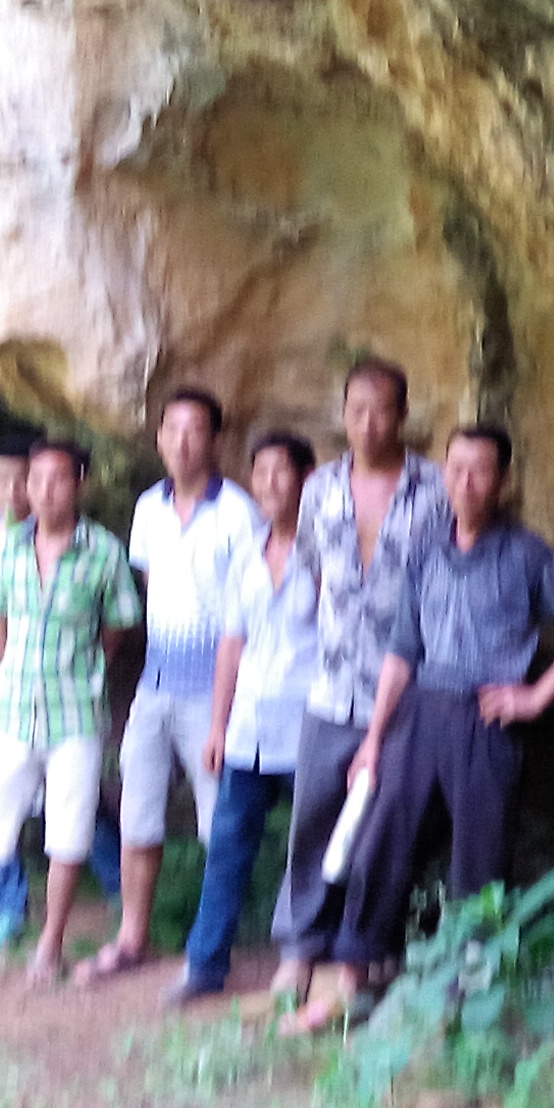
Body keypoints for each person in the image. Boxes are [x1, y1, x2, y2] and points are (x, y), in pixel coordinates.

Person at [311, 423, 554, 1032]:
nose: (466, 484)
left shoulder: (525, 553)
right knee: (380, 841)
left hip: (487, 716)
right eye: (456, 469)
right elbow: (401, 649)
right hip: (419, 711)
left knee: (480, 857)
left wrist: (535, 698)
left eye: (481, 471)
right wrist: (372, 740)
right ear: (442, 474)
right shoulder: (424, 548)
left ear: (504, 481)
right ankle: (353, 983)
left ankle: (469, 995)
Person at [0, 436, 141, 996]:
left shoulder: (104, 552)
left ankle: (50, 950)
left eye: (57, 479)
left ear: (81, 482)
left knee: (67, 836)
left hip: (76, 718)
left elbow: (118, 626)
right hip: (13, 714)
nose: (43, 491)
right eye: (35, 480)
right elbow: (1, 625)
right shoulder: (8, 550)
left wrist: (84, 670)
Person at [275, 358, 451, 1029]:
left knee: (380, 829)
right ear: (342, 414)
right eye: (357, 410)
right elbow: (317, 571)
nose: (369, 422)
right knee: (315, 815)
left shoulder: (434, 488)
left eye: (382, 409)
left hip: (406, 688)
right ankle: (301, 947)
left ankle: (365, 957)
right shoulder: (319, 487)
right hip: (333, 683)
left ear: (403, 414)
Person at [90, 388, 264, 986]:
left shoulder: (240, 513)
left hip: (216, 692)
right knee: (137, 814)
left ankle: (213, 948)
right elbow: (149, 592)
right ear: (159, 438)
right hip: (156, 684)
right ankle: (132, 937)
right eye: (172, 430)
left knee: (222, 824)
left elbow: (248, 613)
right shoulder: (148, 509)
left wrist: (224, 713)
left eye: (196, 431)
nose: (183, 442)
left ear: (215, 440)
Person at [172, 428, 319, 1008]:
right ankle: (204, 963)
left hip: (312, 722)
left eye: (282, 471)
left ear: (308, 480)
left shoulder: (328, 552)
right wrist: (217, 725)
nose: (270, 484)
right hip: (250, 728)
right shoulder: (246, 554)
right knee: (228, 845)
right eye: (260, 473)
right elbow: (231, 644)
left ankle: (299, 959)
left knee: (307, 848)